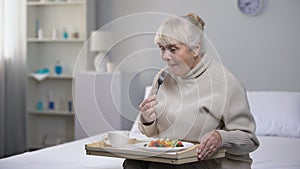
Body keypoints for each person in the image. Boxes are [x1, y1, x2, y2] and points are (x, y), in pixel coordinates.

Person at [123, 13, 259, 169]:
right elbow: (151, 134)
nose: (165, 56)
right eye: (162, 48)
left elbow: (250, 140)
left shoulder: (226, 83)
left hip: (209, 163)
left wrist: (221, 137)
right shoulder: (163, 77)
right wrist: (147, 119)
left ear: (195, 49)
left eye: (173, 49)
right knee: (132, 163)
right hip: (170, 159)